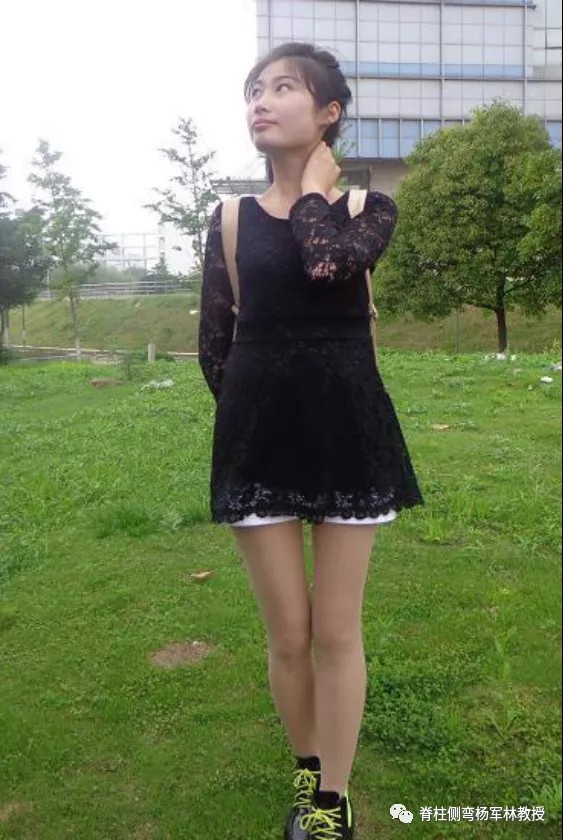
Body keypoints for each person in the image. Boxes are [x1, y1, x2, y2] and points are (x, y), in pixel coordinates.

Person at [198, 42, 425, 840]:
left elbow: (326, 265)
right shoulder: (229, 218)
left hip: (346, 434)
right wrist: (253, 410)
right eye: (253, 89)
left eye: (282, 87)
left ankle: (332, 800)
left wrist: (315, 193)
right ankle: (306, 779)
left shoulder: (367, 209)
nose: (259, 101)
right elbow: (214, 344)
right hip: (259, 440)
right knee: (288, 636)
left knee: (334, 630)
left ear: (327, 113)